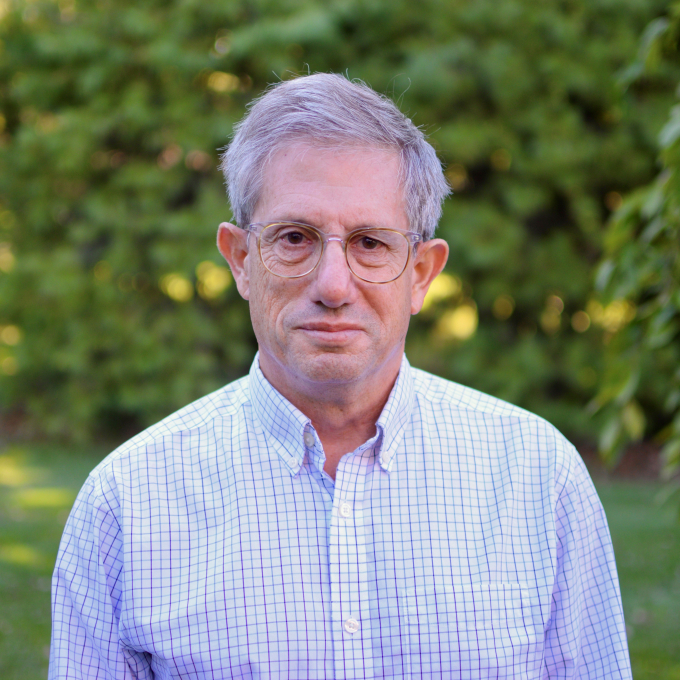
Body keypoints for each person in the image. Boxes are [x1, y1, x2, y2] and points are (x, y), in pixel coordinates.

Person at [49, 73, 632, 679]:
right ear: (241, 260)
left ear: (422, 273)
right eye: (295, 238)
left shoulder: (537, 477)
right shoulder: (127, 502)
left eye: (370, 243)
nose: (332, 285)